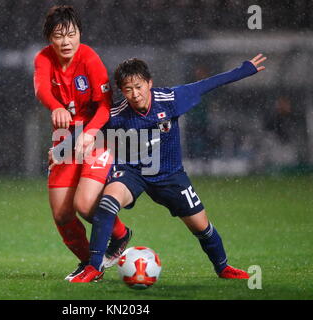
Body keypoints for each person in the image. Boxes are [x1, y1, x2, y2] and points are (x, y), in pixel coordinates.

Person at [69, 54, 267, 282]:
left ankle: (223, 268)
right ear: (121, 91)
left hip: (171, 176)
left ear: (149, 83)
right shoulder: (117, 114)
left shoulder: (171, 99)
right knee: (107, 203)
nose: (135, 94)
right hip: (134, 173)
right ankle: (94, 267)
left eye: (138, 86)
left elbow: (207, 84)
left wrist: (245, 69)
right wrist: (59, 151)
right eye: (127, 89)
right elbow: (88, 130)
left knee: (202, 228)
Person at [33, 5, 131, 281]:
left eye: (71, 34)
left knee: (85, 205)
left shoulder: (89, 57)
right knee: (62, 214)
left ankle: (121, 234)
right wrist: (55, 107)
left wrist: (88, 135)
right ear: (49, 38)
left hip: (97, 133)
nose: (66, 41)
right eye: (58, 35)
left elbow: (104, 106)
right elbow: (40, 87)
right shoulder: (43, 59)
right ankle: (90, 263)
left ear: (80, 34)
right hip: (66, 139)